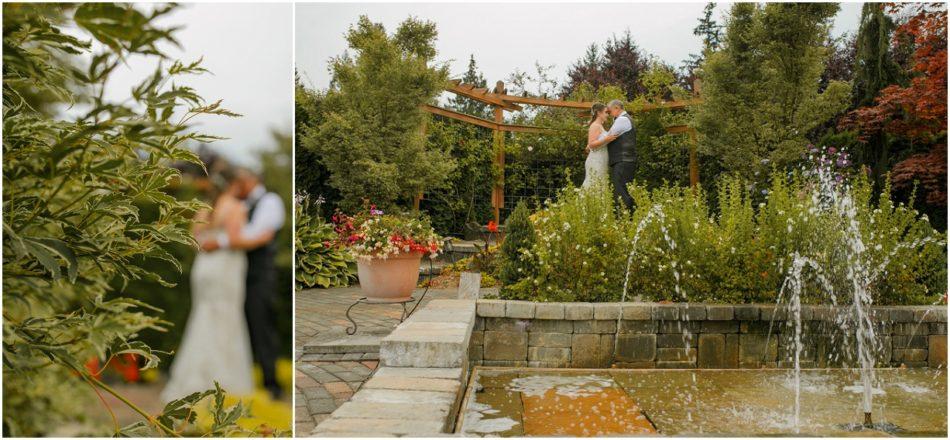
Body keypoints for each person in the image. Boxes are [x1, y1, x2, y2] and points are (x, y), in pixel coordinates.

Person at [161, 168, 255, 403]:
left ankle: (192, 378)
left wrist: (209, 242)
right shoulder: (235, 207)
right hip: (226, 266)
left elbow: (195, 240)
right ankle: (223, 380)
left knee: (203, 315)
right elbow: (234, 240)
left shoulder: (205, 207)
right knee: (227, 318)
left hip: (205, 267)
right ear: (232, 185)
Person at [201, 168, 285, 399]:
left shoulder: (270, 201)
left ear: (252, 179)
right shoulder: (237, 203)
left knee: (261, 326)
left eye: (241, 181)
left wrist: (220, 242)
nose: (238, 185)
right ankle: (236, 376)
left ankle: (272, 384)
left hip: (259, 275)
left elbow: (259, 235)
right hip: (233, 273)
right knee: (237, 326)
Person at [605, 99, 637, 210]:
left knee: (620, 191)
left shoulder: (622, 120)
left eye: (609, 111)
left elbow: (609, 136)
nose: (609, 114)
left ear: (617, 108)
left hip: (623, 160)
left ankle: (623, 219)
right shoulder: (625, 119)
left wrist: (592, 143)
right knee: (625, 190)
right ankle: (631, 218)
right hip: (625, 160)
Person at [583, 102, 616, 188]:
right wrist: (606, 139)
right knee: (594, 185)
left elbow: (589, 145)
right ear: (598, 113)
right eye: (606, 112)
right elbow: (591, 144)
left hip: (601, 159)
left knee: (600, 185)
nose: (607, 115)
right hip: (596, 160)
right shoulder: (595, 126)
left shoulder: (600, 126)